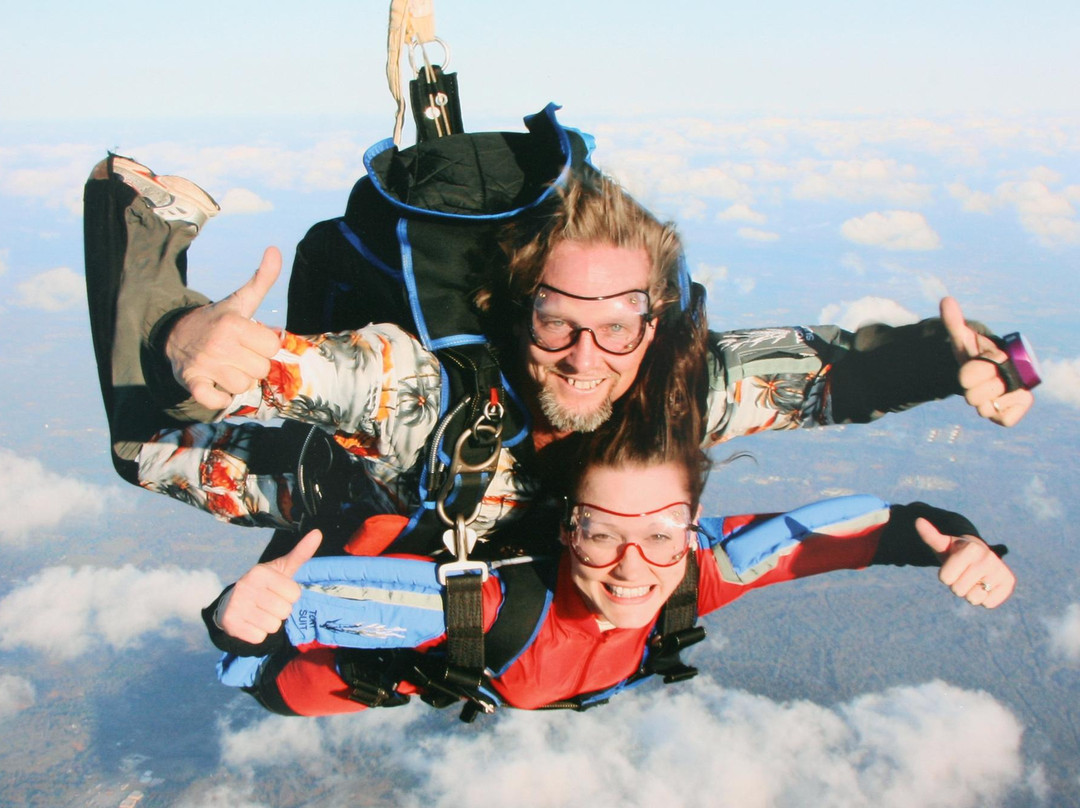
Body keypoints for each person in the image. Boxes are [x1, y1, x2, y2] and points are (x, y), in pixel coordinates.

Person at [83, 151, 1034, 558]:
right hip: (346, 491)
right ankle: (136, 227)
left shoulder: (681, 390)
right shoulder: (427, 399)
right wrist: (189, 337)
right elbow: (331, 374)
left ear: (655, 324)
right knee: (146, 449)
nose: (586, 356)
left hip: (497, 557)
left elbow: (833, 375)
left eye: (618, 323)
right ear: (512, 313)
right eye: (556, 322)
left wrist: (958, 362)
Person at [201, 407, 1016, 717]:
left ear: (693, 527)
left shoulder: (704, 569)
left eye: (662, 534)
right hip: (385, 663)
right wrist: (237, 625)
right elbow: (265, 637)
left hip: (511, 667)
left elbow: (889, 529)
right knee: (303, 657)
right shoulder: (481, 607)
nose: (633, 566)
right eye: (601, 533)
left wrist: (966, 540)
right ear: (566, 530)